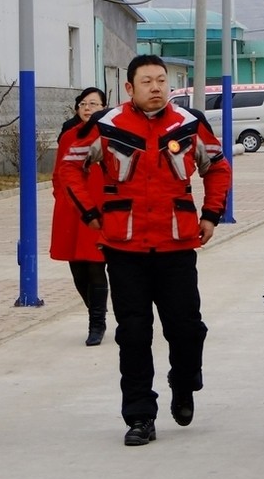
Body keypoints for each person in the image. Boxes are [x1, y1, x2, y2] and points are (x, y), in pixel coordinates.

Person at [60, 55, 232, 446]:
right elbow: (70, 167)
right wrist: (90, 214)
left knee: (186, 329)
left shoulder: (189, 123)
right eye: (147, 81)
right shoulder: (106, 125)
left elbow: (218, 167)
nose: (156, 87)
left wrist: (211, 215)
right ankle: (140, 416)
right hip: (124, 248)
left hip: (177, 244)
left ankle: (184, 382)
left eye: (161, 81)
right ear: (129, 88)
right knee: (133, 335)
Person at [50, 87, 109, 346]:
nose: (87, 108)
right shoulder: (68, 136)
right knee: (77, 270)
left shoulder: (110, 135)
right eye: (83, 103)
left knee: (96, 266)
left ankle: (97, 323)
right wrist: (62, 198)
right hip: (71, 211)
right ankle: (96, 311)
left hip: (100, 211)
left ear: (104, 108)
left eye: (94, 104)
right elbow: (58, 173)